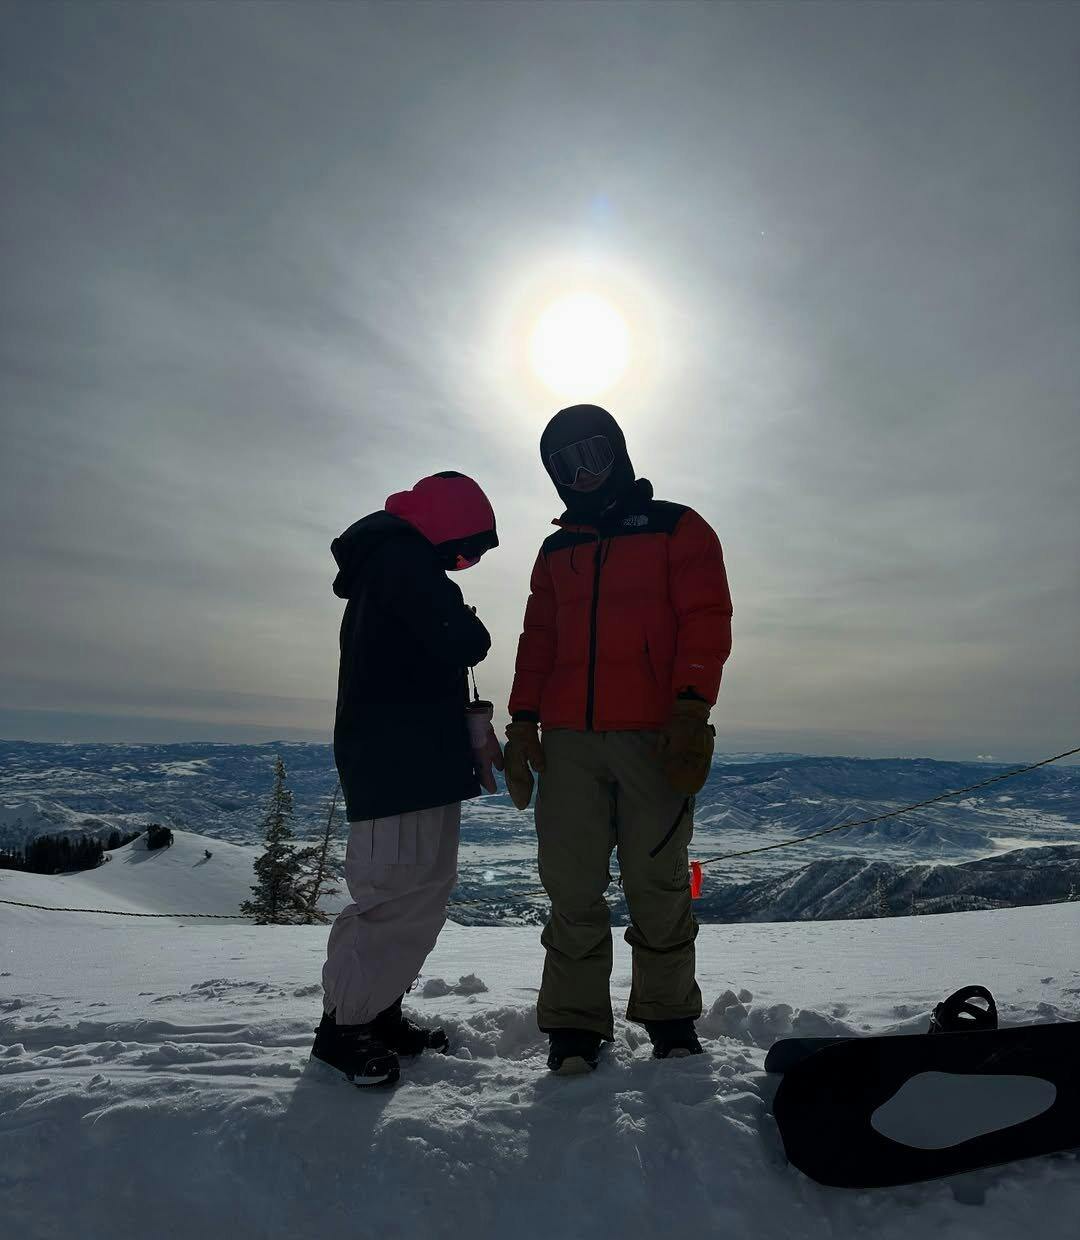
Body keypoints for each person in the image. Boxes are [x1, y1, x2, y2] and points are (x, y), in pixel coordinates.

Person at [505, 405, 732, 1074]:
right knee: (571, 886)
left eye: (594, 454)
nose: (583, 473)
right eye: (566, 463)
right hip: (568, 741)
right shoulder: (556, 551)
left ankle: (670, 1017)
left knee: (658, 881)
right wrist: (522, 719)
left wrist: (690, 707)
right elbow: (538, 640)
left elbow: (706, 618)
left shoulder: (676, 528)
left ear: (619, 453)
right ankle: (573, 1025)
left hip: (653, 736)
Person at [315, 471, 501, 1086]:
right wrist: (464, 619)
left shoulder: (397, 566)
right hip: (396, 765)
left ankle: (376, 1012)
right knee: (394, 896)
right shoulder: (401, 561)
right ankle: (345, 1029)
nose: (466, 563)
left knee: (419, 893)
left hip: (413, 763)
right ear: (446, 524)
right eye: (467, 549)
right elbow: (464, 640)